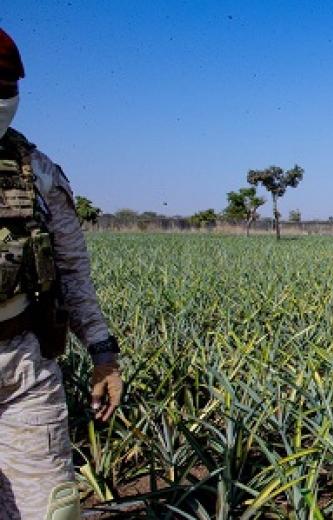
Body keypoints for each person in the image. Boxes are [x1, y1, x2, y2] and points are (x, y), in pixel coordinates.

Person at [0, 28, 123, 520]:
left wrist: (103, 355)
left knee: (54, 510)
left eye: (5, 89)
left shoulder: (38, 171)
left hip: (24, 365)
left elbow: (72, 272)